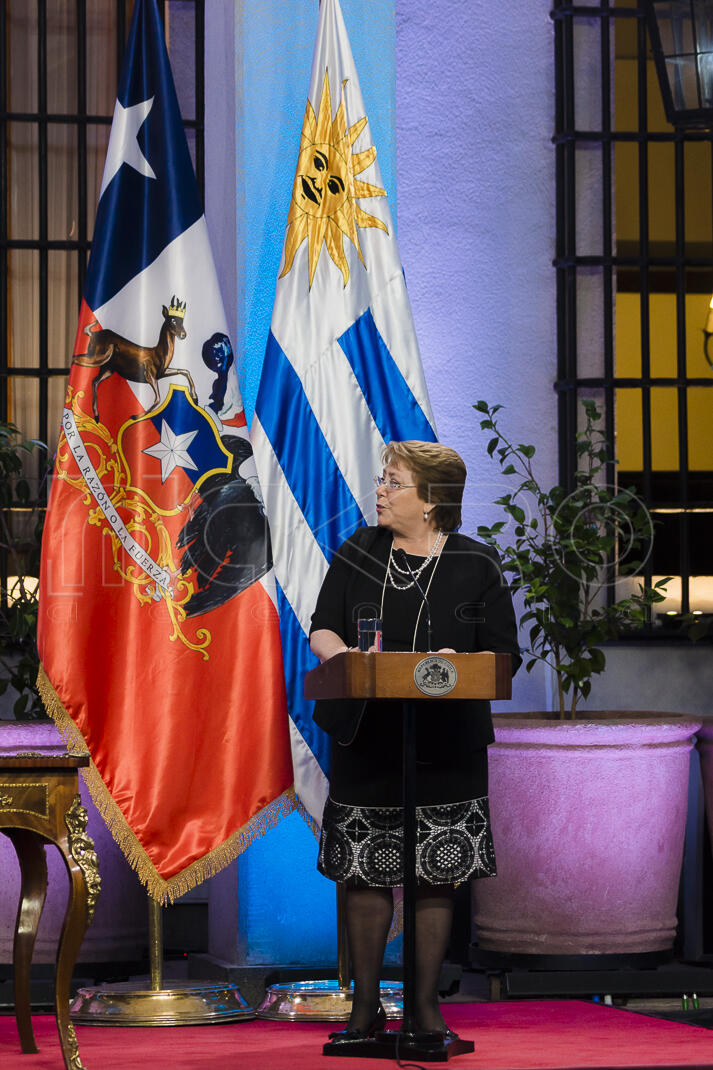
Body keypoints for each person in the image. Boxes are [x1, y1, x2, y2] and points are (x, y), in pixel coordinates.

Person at [309, 440, 521, 1043]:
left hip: (446, 743)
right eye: (382, 479)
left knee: (436, 873)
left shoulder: (476, 564)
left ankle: (426, 1012)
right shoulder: (359, 550)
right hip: (366, 738)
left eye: (392, 482)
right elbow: (323, 626)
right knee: (366, 871)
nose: (379, 489)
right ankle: (364, 1013)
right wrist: (345, 658)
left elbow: (504, 655)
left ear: (430, 501)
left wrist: (462, 659)